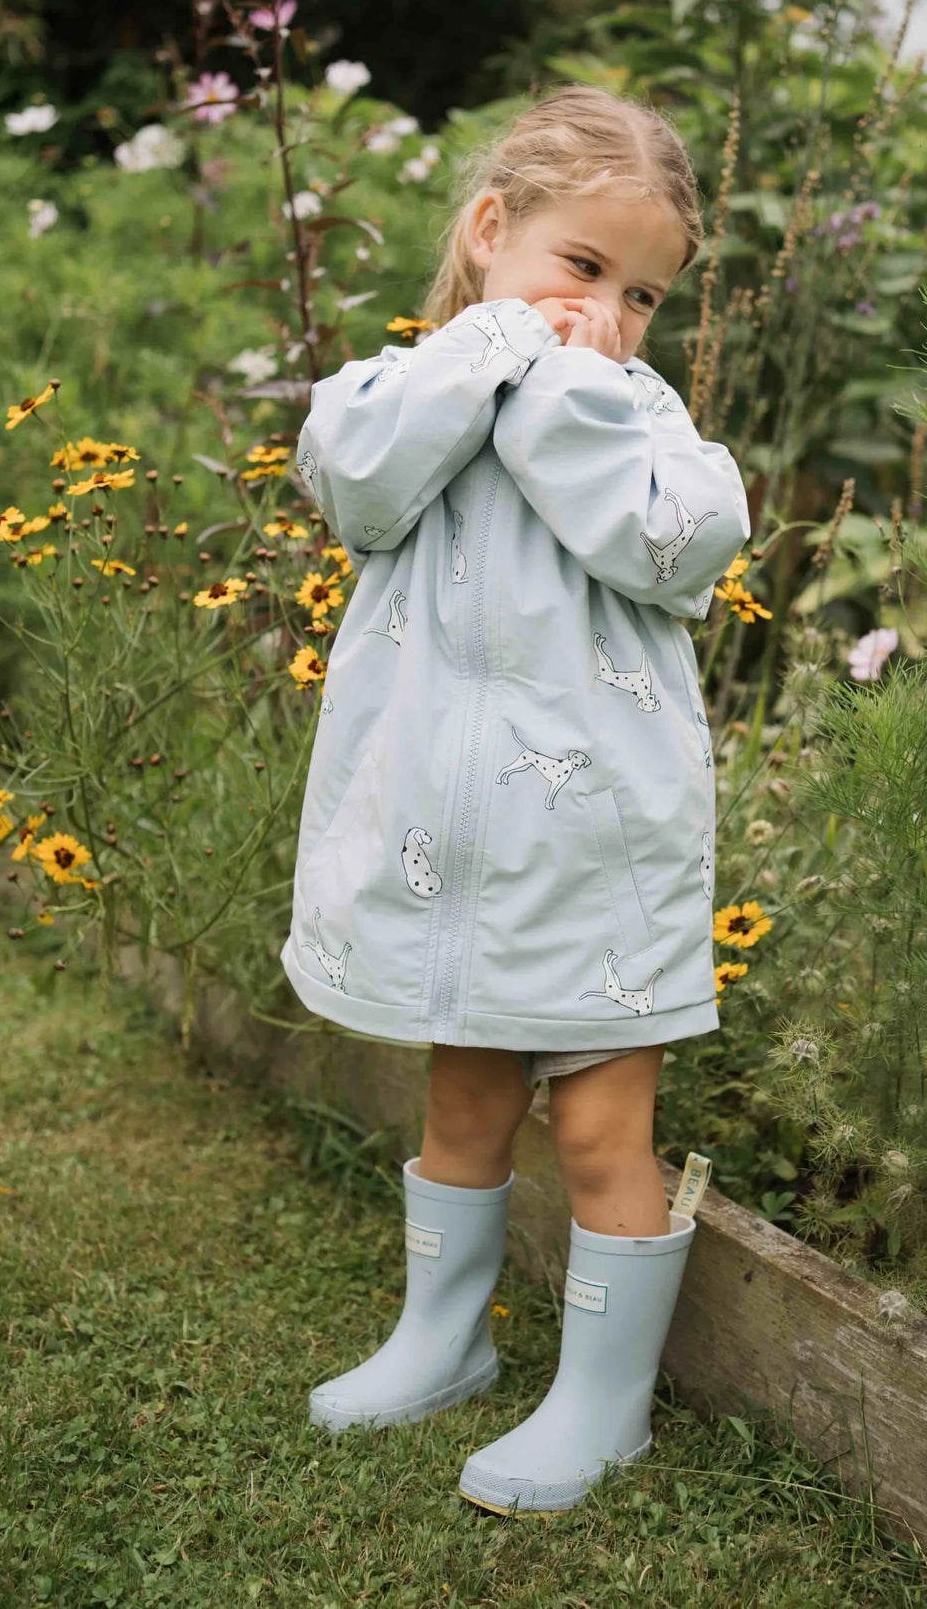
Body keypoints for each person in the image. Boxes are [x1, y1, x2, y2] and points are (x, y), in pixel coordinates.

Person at [281, 82, 752, 1514]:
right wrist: (486, 352)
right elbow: (352, 483)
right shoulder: (405, 392)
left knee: (603, 1134)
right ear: (491, 232)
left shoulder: (642, 421)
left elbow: (672, 548)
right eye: (579, 267)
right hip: (449, 849)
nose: (607, 309)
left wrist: (561, 386)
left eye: (644, 294)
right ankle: (442, 1341)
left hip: (597, 854)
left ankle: (600, 1409)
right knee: (465, 1102)